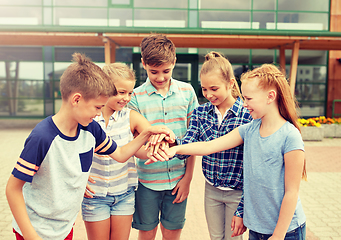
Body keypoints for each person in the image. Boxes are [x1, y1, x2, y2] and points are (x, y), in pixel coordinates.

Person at [5, 53, 173, 240]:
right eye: (97, 107)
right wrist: (31, 236)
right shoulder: (42, 137)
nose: (99, 113)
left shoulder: (91, 128)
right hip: (35, 231)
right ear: (76, 99)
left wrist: (147, 134)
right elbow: (13, 189)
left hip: (64, 228)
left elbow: (119, 153)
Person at [158, 64, 307, 240]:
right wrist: (175, 148)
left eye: (249, 99)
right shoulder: (249, 129)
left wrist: (278, 235)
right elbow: (209, 146)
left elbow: (291, 192)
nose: (244, 104)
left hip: (286, 231)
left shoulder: (290, 136)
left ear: (270, 97)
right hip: (257, 228)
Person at [171, 51, 252, 240]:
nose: (209, 95)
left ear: (231, 83)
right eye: (204, 89)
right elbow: (187, 146)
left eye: (214, 89)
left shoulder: (247, 115)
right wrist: (172, 143)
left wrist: (243, 205)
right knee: (215, 237)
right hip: (212, 190)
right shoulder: (200, 113)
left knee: (233, 238)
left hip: (237, 192)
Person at [82, 62, 164, 240]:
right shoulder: (89, 119)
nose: (126, 98)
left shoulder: (130, 117)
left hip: (124, 194)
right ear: (103, 87)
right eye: (120, 92)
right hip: (95, 195)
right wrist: (77, 175)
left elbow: (148, 141)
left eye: (129, 92)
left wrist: (157, 148)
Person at [128, 34, 199, 240]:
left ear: (174, 62)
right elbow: (135, 145)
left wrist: (188, 179)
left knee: (171, 234)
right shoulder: (135, 98)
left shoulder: (187, 92)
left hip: (178, 180)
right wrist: (150, 152)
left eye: (166, 71)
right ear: (143, 64)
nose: (160, 77)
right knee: (147, 234)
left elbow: (192, 141)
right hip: (146, 182)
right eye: (153, 72)